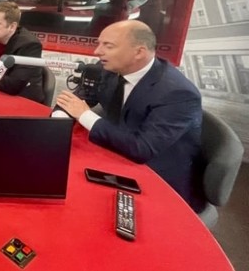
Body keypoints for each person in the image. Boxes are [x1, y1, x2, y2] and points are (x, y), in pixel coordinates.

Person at [54, 20, 205, 212]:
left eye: (108, 46)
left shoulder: (178, 93)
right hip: (115, 153)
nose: (97, 52)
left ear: (139, 52)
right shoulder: (107, 68)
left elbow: (142, 148)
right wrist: (58, 126)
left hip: (157, 177)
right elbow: (76, 99)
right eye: (99, 44)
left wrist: (85, 115)